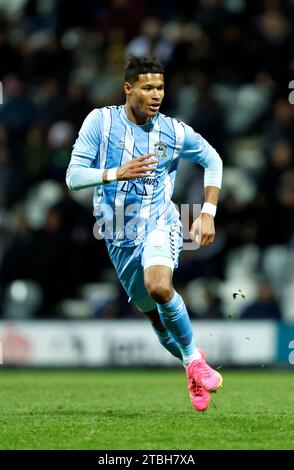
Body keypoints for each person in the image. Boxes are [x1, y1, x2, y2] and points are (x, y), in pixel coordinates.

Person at [66, 56, 223, 412]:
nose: (156, 95)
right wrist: (114, 173)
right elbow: (73, 176)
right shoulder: (100, 122)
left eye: (161, 88)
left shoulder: (173, 131)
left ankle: (193, 361)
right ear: (128, 89)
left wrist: (208, 213)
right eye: (148, 87)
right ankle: (191, 364)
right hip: (117, 234)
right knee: (153, 314)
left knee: (159, 287)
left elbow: (213, 160)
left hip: (160, 223)